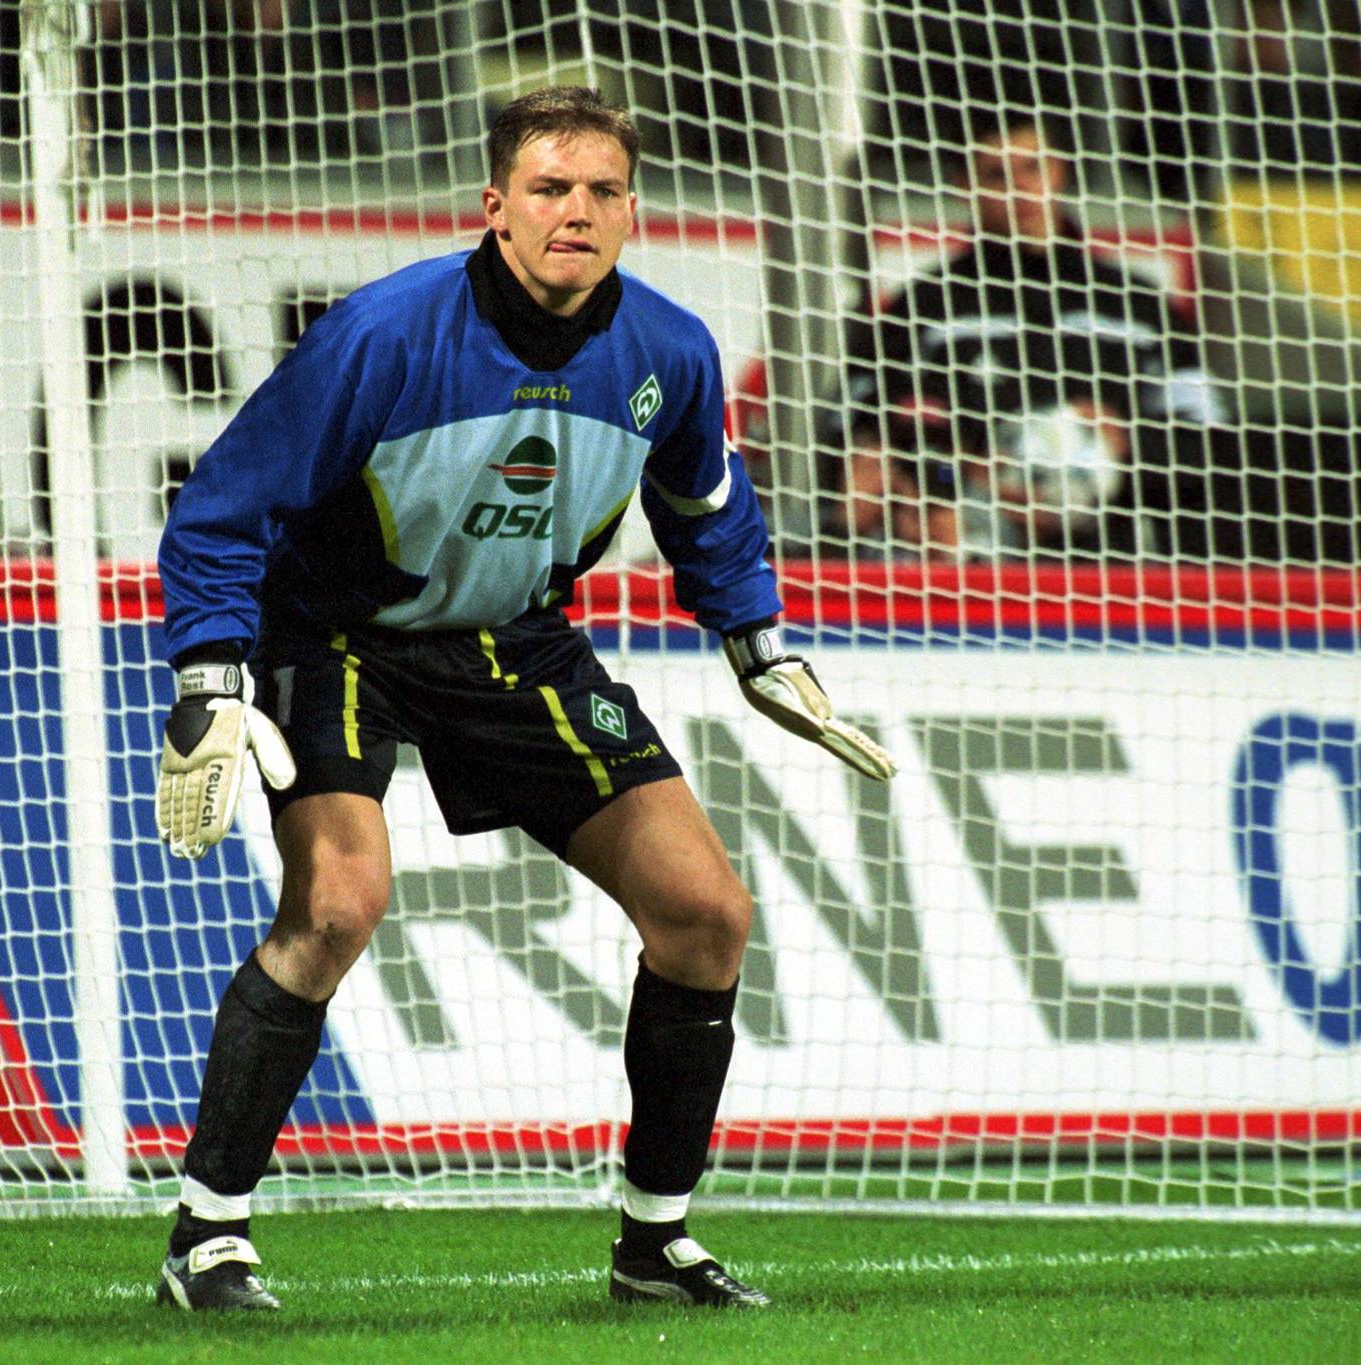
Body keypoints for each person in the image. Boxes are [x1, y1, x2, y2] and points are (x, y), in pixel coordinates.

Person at [151, 86, 895, 1314]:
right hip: (341, 637)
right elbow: (224, 509)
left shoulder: (667, 351)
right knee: (335, 908)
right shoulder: (382, 337)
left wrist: (757, 646)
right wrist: (209, 675)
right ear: (496, 208)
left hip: (518, 647)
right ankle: (208, 1236)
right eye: (551, 190)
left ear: (630, 211)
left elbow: (707, 511)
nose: (578, 212)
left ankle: (654, 1245)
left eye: (603, 191)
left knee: (707, 915)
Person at [828, 113, 1223, 560]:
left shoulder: (1139, 306)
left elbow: (1208, 443)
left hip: (1114, 571)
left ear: (1059, 170)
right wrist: (957, 480)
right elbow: (861, 428)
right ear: (965, 184)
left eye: (1032, 168)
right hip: (974, 564)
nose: (1018, 189)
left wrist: (1129, 443)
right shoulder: (925, 307)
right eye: (997, 175)